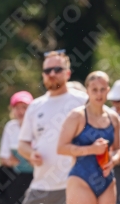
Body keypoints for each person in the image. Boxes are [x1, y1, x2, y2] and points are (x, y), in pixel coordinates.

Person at [18, 50, 87, 204]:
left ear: (68, 73)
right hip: (41, 185)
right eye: (47, 70)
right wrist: (31, 154)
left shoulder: (82, 101)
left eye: (58, 69)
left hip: (74, 183)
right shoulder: (35, 106)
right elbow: (22, 144)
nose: (52, 73)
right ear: (43, 75)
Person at [57, 71, 120, 204]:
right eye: (95, 90)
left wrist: (113, 161)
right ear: (87, 91)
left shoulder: (114, 118)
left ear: (108, 90)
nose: (99, 94)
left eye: (102, 89)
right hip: (81, 179)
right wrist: (92, 149)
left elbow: (117, 149)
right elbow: (61, 148)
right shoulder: (77, 116)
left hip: (107, 179)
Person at [0, 91, 34, 203]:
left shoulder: (37, 126)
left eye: (24, 107)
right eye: (17, 108)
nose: (21, 111)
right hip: (16, 173)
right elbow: (4, 158)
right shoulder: (10, 127)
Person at [108, 80, 120, 203]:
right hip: (114, 164)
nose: (116, 103)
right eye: (115, 100)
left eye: (119, 100)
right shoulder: (108, 114)